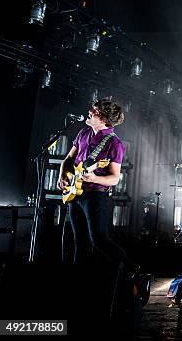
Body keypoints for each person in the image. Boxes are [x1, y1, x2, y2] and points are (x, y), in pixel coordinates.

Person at [57, 98, 134, 320]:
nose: (89, 111)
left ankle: (131, 268)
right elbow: (68, 160)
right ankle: (77, 290)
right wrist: (63, 174)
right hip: (75, 194)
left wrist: (94, 178)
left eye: (95, 110)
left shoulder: (114, 143)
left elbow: (114, 178)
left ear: (104, 119)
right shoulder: (82, 133)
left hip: (95, 196)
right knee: (76, 241)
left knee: (98, 238)